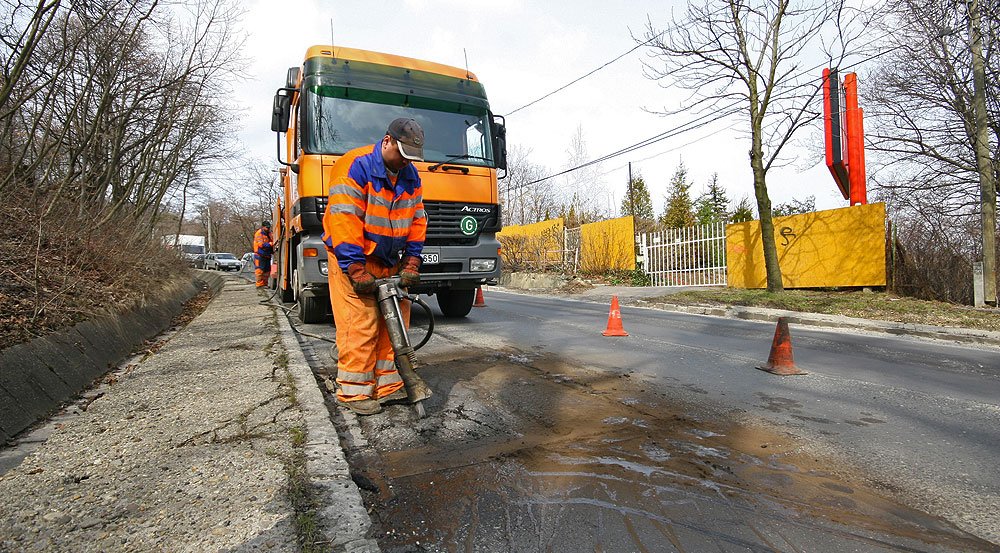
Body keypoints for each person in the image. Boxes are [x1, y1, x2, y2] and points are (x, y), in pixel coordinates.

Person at [321, 118, 427, 415]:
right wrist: (355, 268)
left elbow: (418, 220)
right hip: (355, 256)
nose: (406, 162)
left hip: (389, 259)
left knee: (395, 320)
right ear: (387, 141)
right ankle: (354, 392)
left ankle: (388, 385)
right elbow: (344, 220)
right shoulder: (354, 166)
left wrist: (412, 261)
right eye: (402, 154)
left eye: (411, 157)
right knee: (361, 321)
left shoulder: (411, 176)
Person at [252, 221, 273, 288]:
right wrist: (270, 244)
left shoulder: (269, 234)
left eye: (269, 227)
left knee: (267, 271)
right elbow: (261, 245)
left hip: (267, 255)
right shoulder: (259, 234)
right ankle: (259, 284)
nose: (268, 228)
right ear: (263, 227)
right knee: (260, 270)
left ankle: (265, 284)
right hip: (260, 255)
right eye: (267, 227)